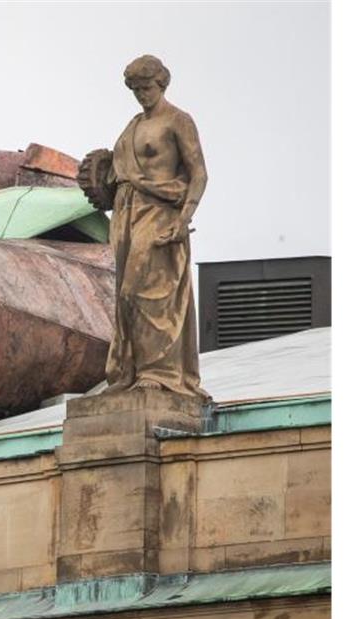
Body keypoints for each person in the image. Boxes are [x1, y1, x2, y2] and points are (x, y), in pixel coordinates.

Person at [80, 54, 210, 400]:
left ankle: (161, 372)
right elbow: (115, 171)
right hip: (126, 211)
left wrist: (184, 219)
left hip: (161, 210)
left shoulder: (178, 121)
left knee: (147, 289)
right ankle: (128, 373)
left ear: (162, 84)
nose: (141, 95)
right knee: (124, 295)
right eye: (135, 89)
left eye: (147, 87)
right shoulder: (133, 124)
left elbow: (198, 173)